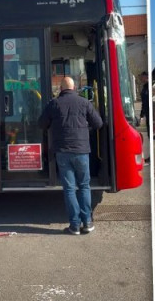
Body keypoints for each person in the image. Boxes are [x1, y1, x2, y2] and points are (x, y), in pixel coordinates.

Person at [39, 77, 103, 235]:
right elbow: (98, 123)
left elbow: (41, 124)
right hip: (82, 150)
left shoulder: (54, 104)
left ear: (61, 88)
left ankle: (74, 225)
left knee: (69, 189)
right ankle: (87, 222)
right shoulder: (84, 103)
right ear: (74, 87)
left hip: (63, 151)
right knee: (84, 186)